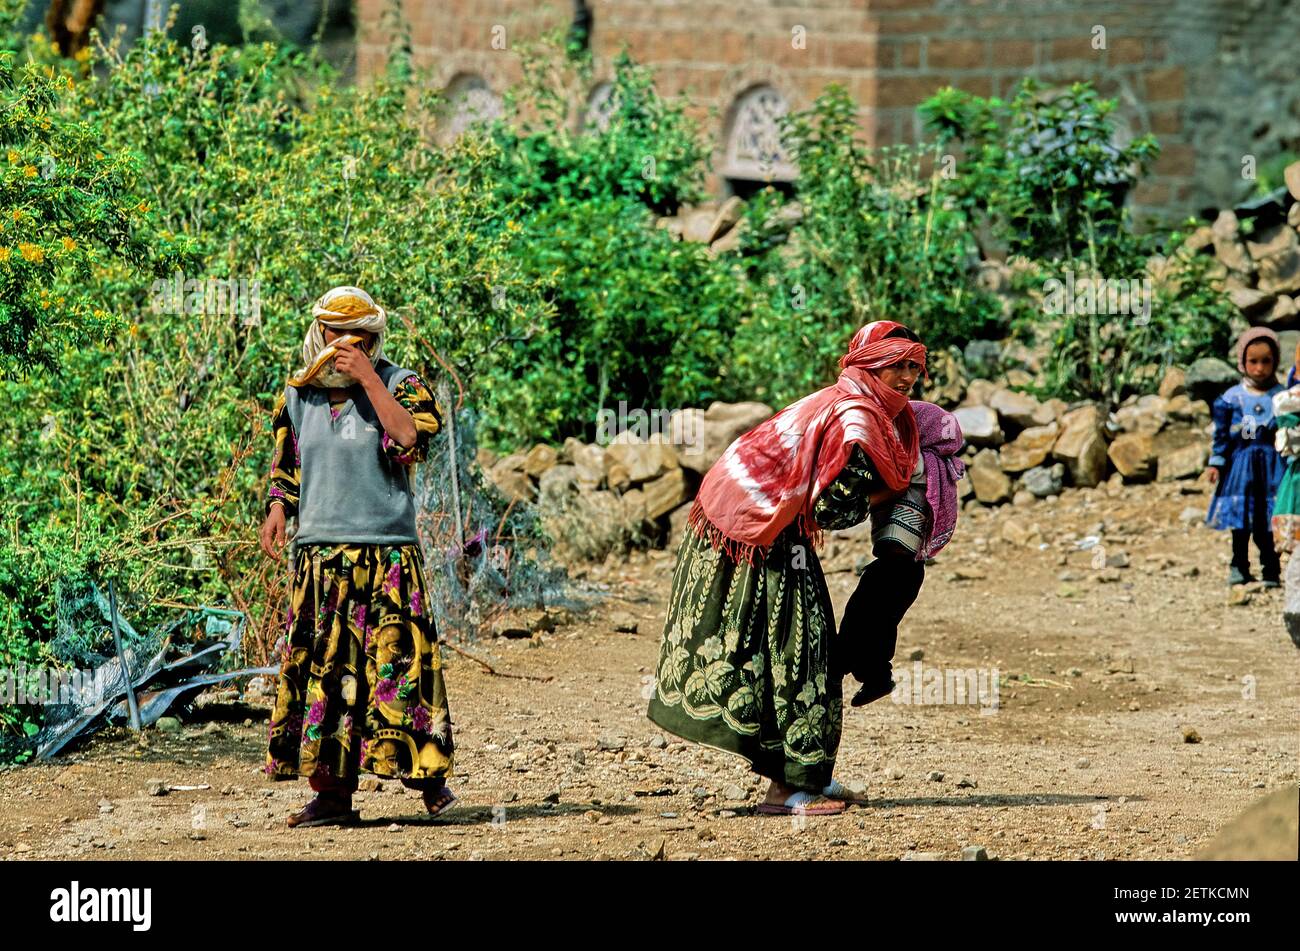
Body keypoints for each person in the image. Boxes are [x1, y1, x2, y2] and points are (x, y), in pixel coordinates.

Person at [647, 320, 926, 816]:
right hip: (755, 527)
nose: (906, 377)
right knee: (803, 653)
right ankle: (790, 789)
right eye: (895, 366)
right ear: (868, 366)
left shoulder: (859, 407)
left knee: (786, 648)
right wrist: (893, 494)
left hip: (755, 520)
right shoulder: (858, 419)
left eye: (913, 366)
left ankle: (804, 776)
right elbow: (830, 510)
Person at [259, 285, 456, 828]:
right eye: (334, 332)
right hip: (322, 558)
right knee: (329, 678)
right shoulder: (298, 394)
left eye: (356, 336)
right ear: (318, 332)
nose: (342, 343)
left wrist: (369, 378)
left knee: (399, 670)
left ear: (372, 339)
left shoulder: (401, 385)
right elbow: (287, 467)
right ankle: (332, 797)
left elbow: (408, 440)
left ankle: (428, 781)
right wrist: (277, 509)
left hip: (386, 555)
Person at [838, 400, 965, 706]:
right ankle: (867, 671)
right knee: (876, 619)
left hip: (899, 565)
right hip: (899, 564)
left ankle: (844, 663)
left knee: (866, 615)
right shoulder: (933, 466)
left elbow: (891, 474)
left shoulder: (918, 463)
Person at [1204, 327, 1286, 587]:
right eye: (1253, 361)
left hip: (1273, 468)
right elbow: (1221, 436)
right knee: (1240, 522)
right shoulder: (1232, 398)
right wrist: (1216, 463)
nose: (1259, 368)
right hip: (1241, 468)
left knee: (1268, 522)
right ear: (1242, 361)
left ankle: (1270, 570)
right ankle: (1239, 566)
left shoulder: (1282, 397)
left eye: (1266, 361)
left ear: (1275, 361)